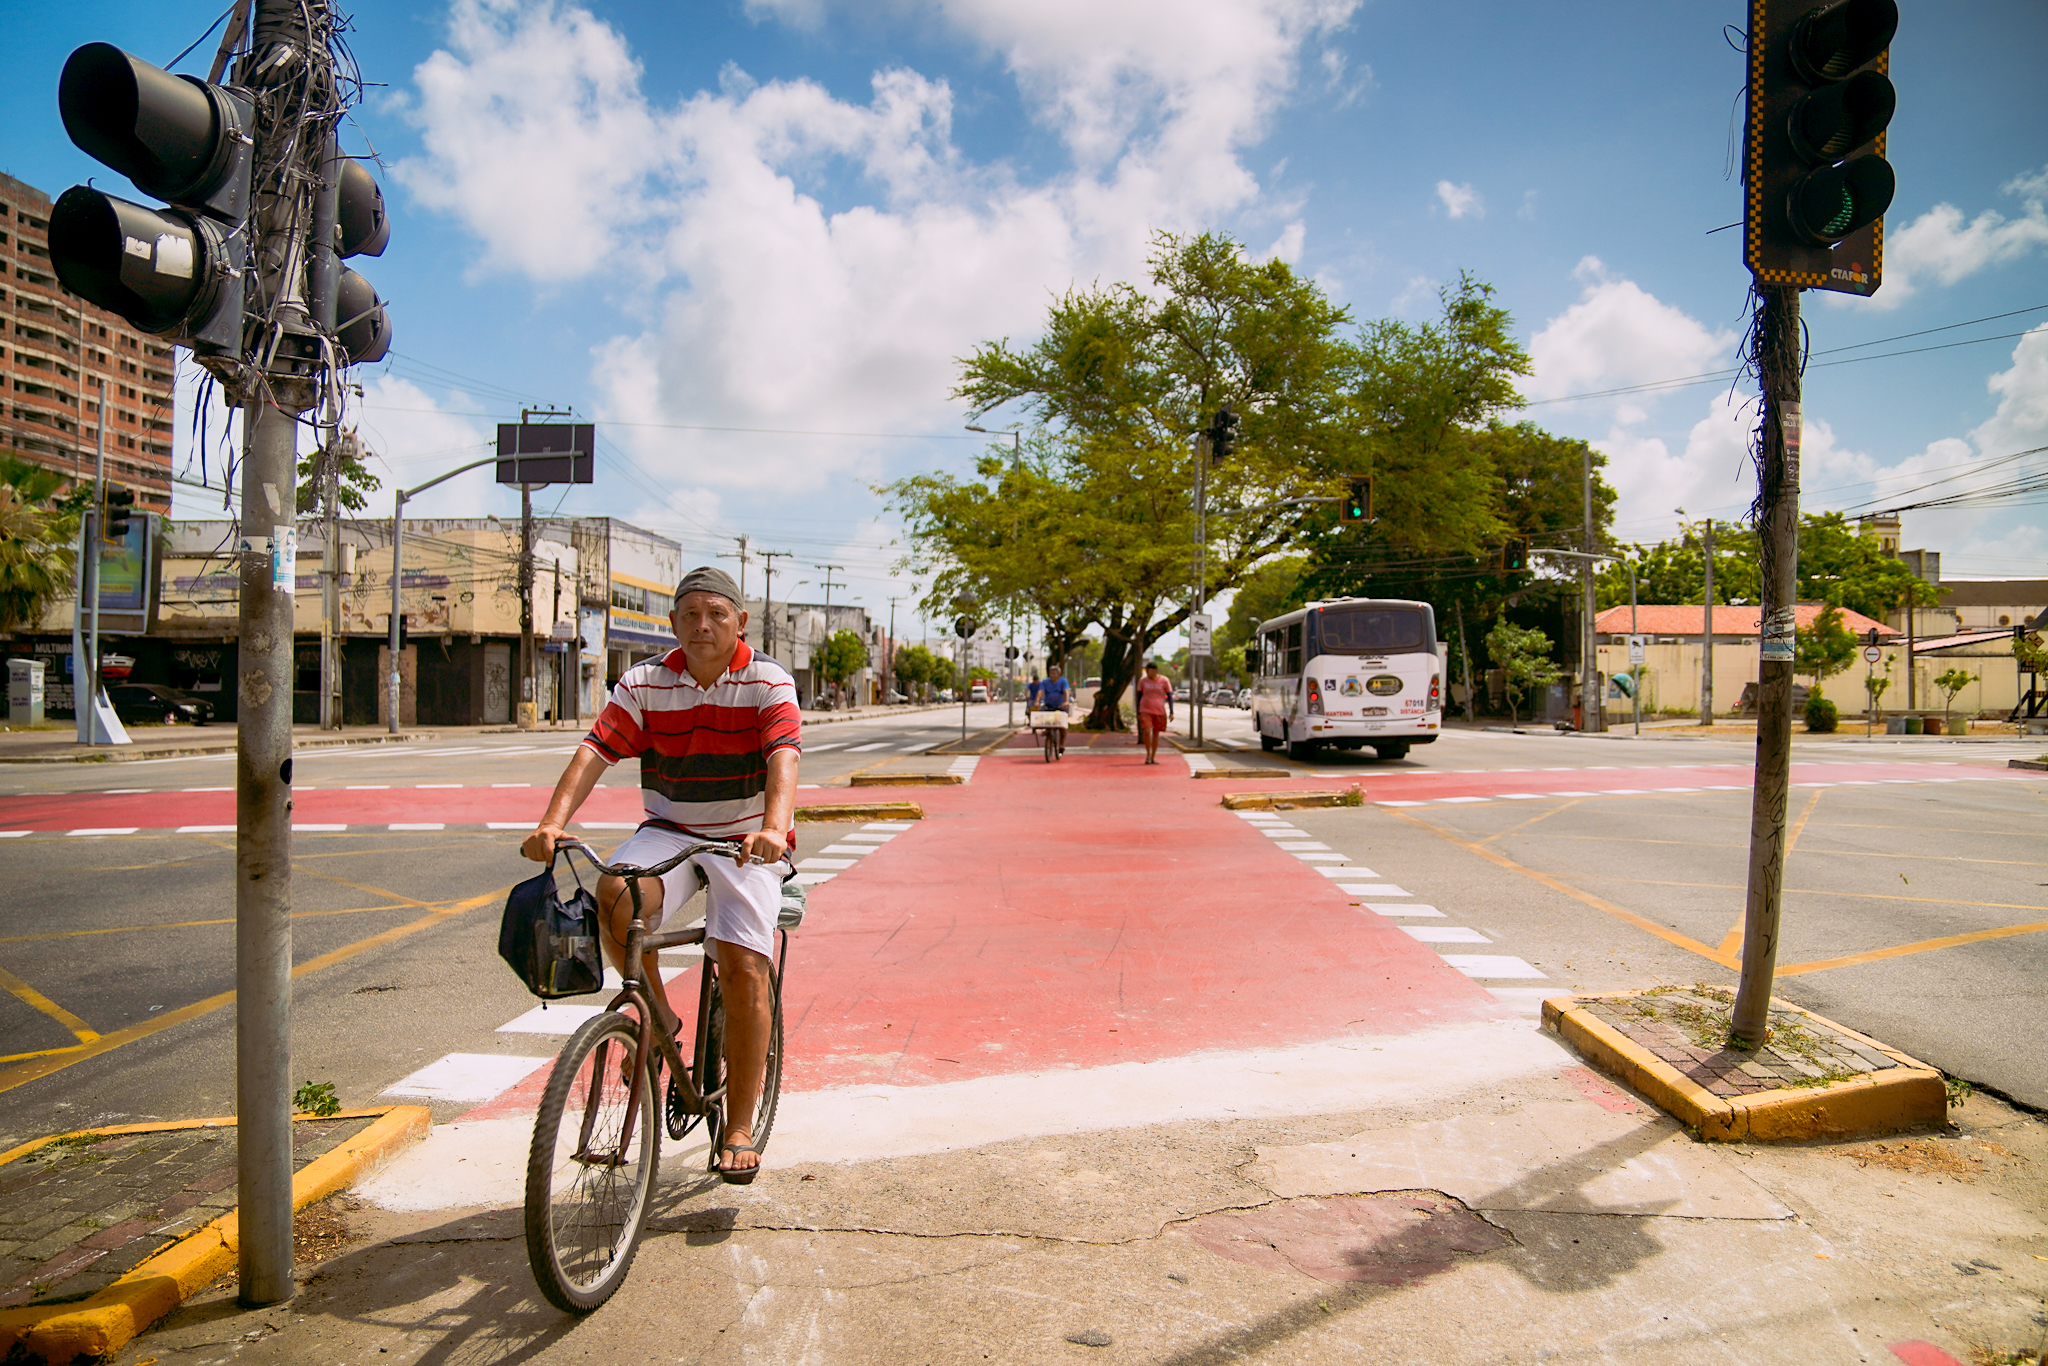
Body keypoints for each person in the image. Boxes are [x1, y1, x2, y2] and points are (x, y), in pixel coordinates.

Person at [521, 566, 798, 1185]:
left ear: (739, 623)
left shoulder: (767, 682)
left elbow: (783, 756)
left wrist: (774, 829)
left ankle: (739, 1124)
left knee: (741, 962)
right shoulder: (645, 682)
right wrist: (551, 822)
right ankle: (661, 1022)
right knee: (614, 893)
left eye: (716, 614)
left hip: (745, 839)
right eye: (690, 615)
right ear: (673, 624)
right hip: (669, 831)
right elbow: (594, 750)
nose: (703, 625)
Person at [1134, 658, 1174, 764]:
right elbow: (1138, 696)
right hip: (1145, 709)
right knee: (1147, 731)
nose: (1148, 673)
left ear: (1155, 671)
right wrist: (1138, 711)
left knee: (1156, 734)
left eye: (1150, 671)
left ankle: (1153, 756)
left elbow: (1170, 695)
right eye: (1146, 671)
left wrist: (1171, 711)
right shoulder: (1143, 680)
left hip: (1159, 710)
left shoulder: (1164, 680)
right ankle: (1147, 754)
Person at [1037, 665, 1073, 756]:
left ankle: (1061, 745)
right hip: (1049, 706)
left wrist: (1066, 701)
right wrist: (1037, 701)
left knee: (1062, 726)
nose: (1052, 675)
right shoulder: (1045, 682)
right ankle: (1048, 730)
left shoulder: (1063, 681)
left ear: (1059, 674)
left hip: (1061, 707)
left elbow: (1066, 692)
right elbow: (1040, 691)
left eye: (1054, 673)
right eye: (1050, 673)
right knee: (1045, 718)